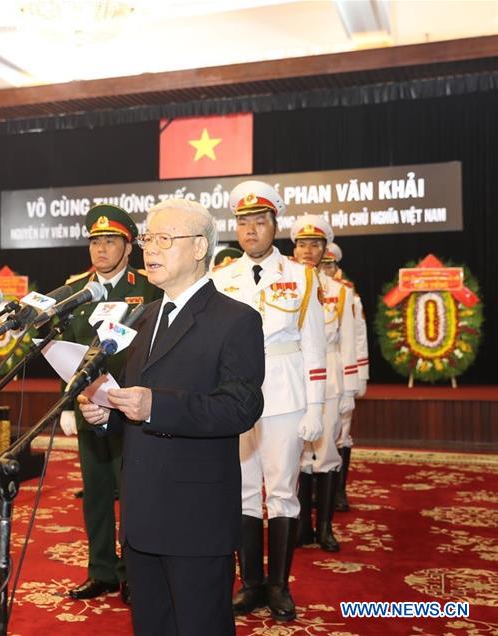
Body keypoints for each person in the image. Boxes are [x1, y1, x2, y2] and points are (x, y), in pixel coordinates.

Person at [79, 198, 265, 635]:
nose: (150, 249)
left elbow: (241, 407)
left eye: (164, 239)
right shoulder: (142, 318)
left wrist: (156, 406)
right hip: (142, 515)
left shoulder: (235, 320)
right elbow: (131, 399)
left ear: (200, 247)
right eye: (147, 239)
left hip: (195, 519)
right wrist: (104, 412)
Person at [210, 181, 326, 622]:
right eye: (243, 223)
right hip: (235, 397)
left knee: (280, 492)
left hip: (284, 393)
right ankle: (251, 584)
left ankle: (278, 585)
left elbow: (314, 347)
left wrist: (316, 406)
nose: (251, 230)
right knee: (240, 493)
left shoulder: (302, 276)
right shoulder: (221, 278)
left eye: (259, 222)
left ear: (275, 225)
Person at [60, 204, 160, 604]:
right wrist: (69, 403)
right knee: (97, 492)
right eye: (95, 242)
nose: (101, 250)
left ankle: (131, 574)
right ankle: (100, 571)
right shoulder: (74, 290)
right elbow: (64, 350)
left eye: (110, 242)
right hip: (88, 407)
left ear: (128, 246)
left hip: (131, 411)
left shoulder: (148, 287)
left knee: (132, 494)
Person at [291, 217, 357, 552]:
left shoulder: (338, 292)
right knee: (298, 456)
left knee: (327, 454)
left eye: (314, 245)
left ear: (324, 250)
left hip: (329, 378)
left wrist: (349, 389)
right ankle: (302, 525)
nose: (307, 250)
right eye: (302, 244)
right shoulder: (285, 283)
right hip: (293, 376)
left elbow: (348, 343)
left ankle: (326, 527)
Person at [322, 242, 369, 511]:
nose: (325, 269)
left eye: (329, 264)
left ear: (336, 266)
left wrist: (359, 375)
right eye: (322, 264)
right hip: (316, 371)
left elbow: (358, 337)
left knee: (342, 434)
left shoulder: (348, 295)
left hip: (341, 369)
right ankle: (316, 491)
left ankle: (338, 490)